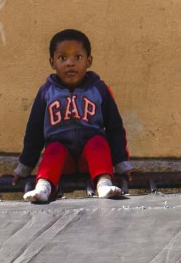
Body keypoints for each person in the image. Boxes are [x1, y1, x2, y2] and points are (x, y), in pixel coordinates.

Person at [12, 29, 133, 203]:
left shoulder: (99, 90)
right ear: (52, 62)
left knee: (98, 143)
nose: (70, 63)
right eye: (62, 58)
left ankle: (104, 184)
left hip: (90, 160)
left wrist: (122, 164)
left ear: (89, 61)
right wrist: (23, 168)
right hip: (62, 162)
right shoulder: (46, 92)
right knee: (53, 148)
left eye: (77, 57)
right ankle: (43, 187)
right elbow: (34, 132)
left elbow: (115, 128)